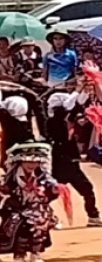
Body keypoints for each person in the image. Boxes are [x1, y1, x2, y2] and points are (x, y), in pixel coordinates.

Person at [0, 142, 60, 262]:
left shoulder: (43, 177)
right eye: (28, 162)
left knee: (38, 222)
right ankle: (19, 253)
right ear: (20, 162)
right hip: (14, 208)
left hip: (37, 208)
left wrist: (54, 191)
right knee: (18, 223)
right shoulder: (8, 179)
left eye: (35, 162)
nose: (31, 165)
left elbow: (51, 193)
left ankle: (35, 253)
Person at [46, 91, 100, 226]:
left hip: (60, 161)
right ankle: (93, 216)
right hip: (67, 162)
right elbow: (75, 106)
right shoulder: (60, 118)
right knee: (86, 189)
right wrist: (82, 89)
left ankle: (47, 217)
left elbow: (75, 106)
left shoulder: (53, 119)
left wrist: (83, 89)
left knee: (50, 193)